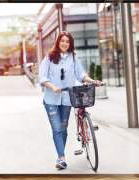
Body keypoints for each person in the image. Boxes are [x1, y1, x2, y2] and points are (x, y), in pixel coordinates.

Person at [38, 31, 102, 170]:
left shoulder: (73, 57)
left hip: (67, 98)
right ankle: (61, 158)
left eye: (67, 41)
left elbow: (81, 74)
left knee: (64, 128)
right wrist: (53, 87)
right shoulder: (49, 57)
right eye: (62, 41)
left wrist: (92, 81)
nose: (65, 43)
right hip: (51, 99)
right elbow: (42, 77)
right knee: (56, 129)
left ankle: (61, 155)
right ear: (58, 42)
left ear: (70, 44)